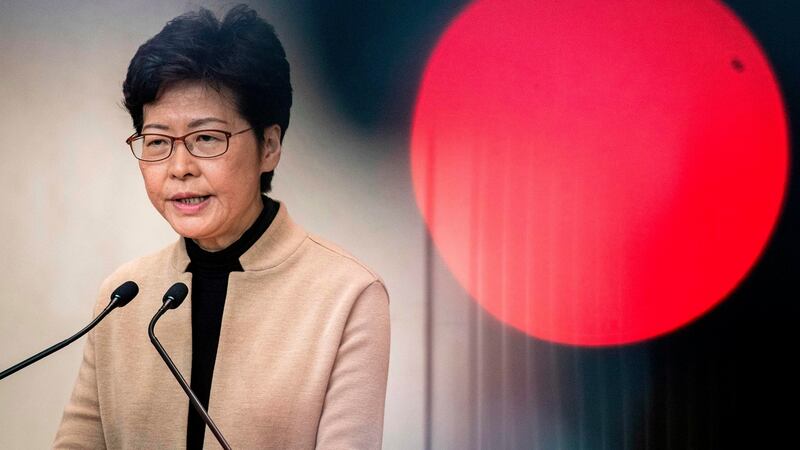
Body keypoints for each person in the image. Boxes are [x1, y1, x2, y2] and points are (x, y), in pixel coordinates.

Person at [53, 5, 390, 449]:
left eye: (206, 138)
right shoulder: (124, 294)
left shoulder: (347, 296)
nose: (179, 168)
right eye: (156, 142)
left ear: (269, 146)